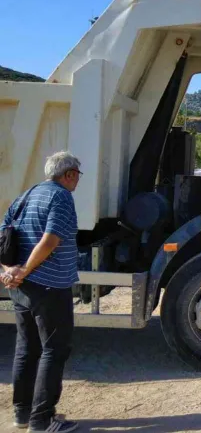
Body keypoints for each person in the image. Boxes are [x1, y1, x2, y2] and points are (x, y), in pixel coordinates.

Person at [1, 151, 82, 433]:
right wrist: (23, 269)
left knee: (27, 348)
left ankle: (22, 415)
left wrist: (10, 271)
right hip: (50, 286)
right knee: (54, 350)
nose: (78, 182)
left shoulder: (27, 194)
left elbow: (3, 236)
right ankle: (42, 421)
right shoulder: (60, 197)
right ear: (69, 174)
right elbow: (50, 240)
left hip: (22, 289)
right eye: (78, 176)